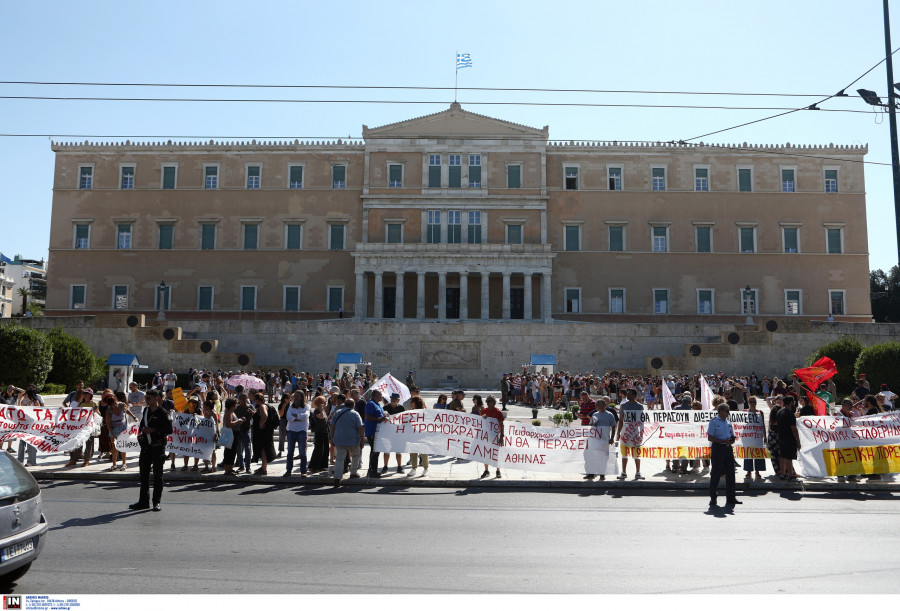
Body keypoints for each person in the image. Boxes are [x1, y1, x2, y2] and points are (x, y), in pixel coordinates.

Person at [130, 389, 173, 512]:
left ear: (156, 398)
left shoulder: (163, 413)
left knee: (157, 476)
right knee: (143, 476)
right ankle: (143, 502)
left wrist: (154, 430)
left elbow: (169, 429)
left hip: (158, 447)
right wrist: (141, 432)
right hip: (146, 447)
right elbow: (142, 424)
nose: (147, 400)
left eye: (149, 398)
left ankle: (156, 502)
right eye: (146, 398)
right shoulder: (146, 410)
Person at [707, 401, 741, 507]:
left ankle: (731, 497)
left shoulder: (728, 422)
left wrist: (731, 440)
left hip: (728, 449)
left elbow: (731, 434)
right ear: (721, 411)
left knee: (731, 474)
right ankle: (713, 497)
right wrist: (723, 441)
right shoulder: (714, 422)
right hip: (718, 449)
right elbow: (710, 437)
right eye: (726, 411)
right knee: (716, 473)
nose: (728, 413)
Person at [330, 399, 365, 486]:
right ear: (353, 405)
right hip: (353, 440)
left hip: (339, 439)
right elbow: (360, 427)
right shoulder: (355, 414)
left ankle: (337, 478)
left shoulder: (337, 412)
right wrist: (362, 439)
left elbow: (332, 425)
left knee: (339, 459)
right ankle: (353, 473)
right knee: (355, 456)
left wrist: (331, 437)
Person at [615, 388, 645, 480]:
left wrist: (641, 434)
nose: (627, 395)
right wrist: (618, 433)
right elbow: (620, 421)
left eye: (630, 394)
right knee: (624, 454)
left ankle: (638, 472)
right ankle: (623, 472)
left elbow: (642, 422)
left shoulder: (640, 406)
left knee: (636, 454)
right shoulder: (623, 405)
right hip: (625, 433)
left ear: (635, 396)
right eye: (627, 393)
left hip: (635, 434)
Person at [585, 397, 616, 481]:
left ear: (602, 405)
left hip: (604, 440)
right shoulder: (595, 414)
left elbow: (613, 427)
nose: (595, 406)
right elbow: (592, 426)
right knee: (593, 456)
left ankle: (602, 474)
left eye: (597, 405)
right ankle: (592, 473)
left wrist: (612, 438)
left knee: (603, 457)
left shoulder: (610, 415)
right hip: (595, 440)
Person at [283, 390, 310, 477]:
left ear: (302, 397)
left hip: (302, 430)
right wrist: (296, 418)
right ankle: (288, 471)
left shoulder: (306, 406)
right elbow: (288, 416)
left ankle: (303, 471)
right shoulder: (291, 406)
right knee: (290, 452)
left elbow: (306, 415)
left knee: (302, 452)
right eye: (295, 396)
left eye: (297, 396)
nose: (295, 398)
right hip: (291, 430)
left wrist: (296, 416)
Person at [106, 400, 137, 471]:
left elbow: (127, 411)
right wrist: (113, 434)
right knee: (114, 447)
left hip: (123, 427)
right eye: (111, 405)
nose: (114, 406)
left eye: (114, 403)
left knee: (123, 446)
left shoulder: (122, 405)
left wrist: (134, 417)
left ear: (116, 401)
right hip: (113, 428)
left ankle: (124, 464)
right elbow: (108, 424)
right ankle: (114, 464)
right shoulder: (109, 410)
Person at [776, 396, 801, 481]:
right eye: (793, 401)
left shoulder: (780, 411)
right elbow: (794, 429)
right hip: (789, 438)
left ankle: (782, 474)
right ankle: (791, 475)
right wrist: (798, 441)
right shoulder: (790, 414)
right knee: (789, 457)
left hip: (781, 437)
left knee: (782, 456)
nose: (794, 403)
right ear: (790, 402)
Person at [250, 392, 276, 475]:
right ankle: (263, 467)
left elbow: (264, 416)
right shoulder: (267, 406)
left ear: (257, 400)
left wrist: (260, 425)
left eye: (254, 399)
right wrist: (255, 414)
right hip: (267, 431)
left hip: (263, 432)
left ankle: (264, 469)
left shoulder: (262, 406)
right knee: (263, 448)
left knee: (263, 449)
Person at [479, 395, 505, 479]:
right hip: (486, 436)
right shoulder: (484, 411)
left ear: (494, 402)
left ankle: (498, 470)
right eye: (487, 401)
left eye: (489, 401)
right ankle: (486, 471)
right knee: (485, 453)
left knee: (496, 453)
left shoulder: (498, 412)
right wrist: (482, 417)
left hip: (495, 436)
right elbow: (481, 423)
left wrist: (501, 436)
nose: (488, 403)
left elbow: (501, 424)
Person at [364, 390, 387, 478]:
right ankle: (372, 471)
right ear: (375, 395)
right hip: (372, 431)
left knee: (376, 451)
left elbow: (381, 415)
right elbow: (368, 416)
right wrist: (379, 419)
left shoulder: (378, 404)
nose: (382, 396)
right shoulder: (370, 404)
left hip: (378, 431)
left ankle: (373, 470)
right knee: (374, 451)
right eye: (381, 395)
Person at [742, 396, 766, 480]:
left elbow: (762, 424)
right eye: (751, 401)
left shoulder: (760, 412)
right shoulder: (744, 412)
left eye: (754, 401)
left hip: (757, 437)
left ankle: (757, 471)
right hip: (748, 437)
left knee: (758, 453)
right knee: (748, 454)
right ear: (748, 403)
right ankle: (748, 472)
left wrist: (765, 435)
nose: (752, 403)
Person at [381, 393, 405, 474]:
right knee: (386, 450)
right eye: (392, 398)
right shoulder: (385, 407)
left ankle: (399, 467)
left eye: (395, 399)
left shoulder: (401, 408)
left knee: (398, 451)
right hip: (387, 433)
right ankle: (385, 466)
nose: (393, 400)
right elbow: (381, 418)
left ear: (398, 400)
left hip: (398, 433)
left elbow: (404, 419)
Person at [407, 396, 429, 477]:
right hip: (413, 435)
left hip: (422, 435)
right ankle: (414, 468)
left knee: (423, 452)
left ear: (416, 403)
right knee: (413, 452)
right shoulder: (410, 412)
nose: (410, 404)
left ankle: (426, 469)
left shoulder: (424, 412)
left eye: (412, 402)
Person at [220, 398, 243, 476]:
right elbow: (229, 424)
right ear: (233, 405)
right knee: (229, 452)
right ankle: (227, 469)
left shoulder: (232, 412)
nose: (237, 405)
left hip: (235, 433)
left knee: (233, 452)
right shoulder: (229, 413)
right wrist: (238, 421)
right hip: (231, 434)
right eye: (236, 404)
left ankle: (230, 468)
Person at [308, 398, 330, 472]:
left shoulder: (322, 410)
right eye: (323, 401)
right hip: (319, 432)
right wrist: (320, 408)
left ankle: (321, 465)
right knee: (318, 450)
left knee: (325, 449)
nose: (325, 402)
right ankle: (313, 466)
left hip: (325, 431)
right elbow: (321, 417)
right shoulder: (316, 411)